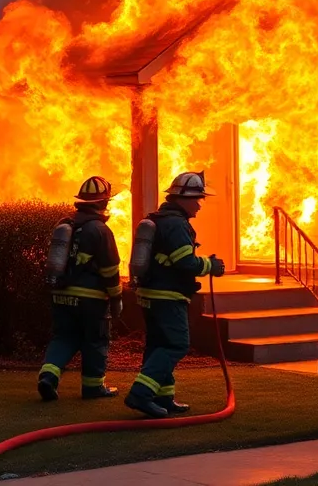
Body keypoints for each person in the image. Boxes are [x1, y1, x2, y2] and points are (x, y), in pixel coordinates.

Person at [126, 171, 225, 419]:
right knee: (176, 344)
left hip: (152, 294)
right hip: (166, 296)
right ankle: (140, 394)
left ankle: (163, 397)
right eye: (197, 199)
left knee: (158, 344)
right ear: (183, 198)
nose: (200, 205)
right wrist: (210, 266)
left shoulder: (162, 220)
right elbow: (185, 262)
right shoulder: (176, 225)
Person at [37, 175, 123, 401]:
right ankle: (93, 387)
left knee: (63, 337)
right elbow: (110, 269)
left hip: (60, 295)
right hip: (90, 299)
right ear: (103, 202)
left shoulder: (65, 225)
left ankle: (48, 375)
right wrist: (116, 298)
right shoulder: (100, 230)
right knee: (95, 340)